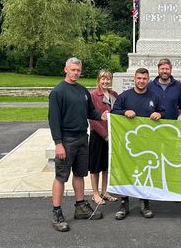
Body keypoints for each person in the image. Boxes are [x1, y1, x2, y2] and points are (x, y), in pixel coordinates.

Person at [48, 57, 108, 232]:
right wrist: (58, 144)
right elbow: (53, 120)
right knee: (61, 176)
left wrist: (101, 116)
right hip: (66, 140)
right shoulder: (58, 92)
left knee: (80, 174)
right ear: (65, 69)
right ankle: (57, 212)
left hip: (83, 137)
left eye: (78, 70)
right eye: (73, 69)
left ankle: (80, 206)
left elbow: (90, 112)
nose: (76, 73)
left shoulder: (83, 91)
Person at [112, 68, 165, 220]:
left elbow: (164, 112)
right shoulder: (124, 96)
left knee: (145, 173)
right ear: (134, 79)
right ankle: (124, 204)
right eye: (139, 78)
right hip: (127, 143)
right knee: (126, 172)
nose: (141, 81)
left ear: (148, 80)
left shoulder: (154, 96)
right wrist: (124, 112)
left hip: (147, 143)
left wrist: (159, 114)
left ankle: (145, 203)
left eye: (144, 78)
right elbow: (114, 112)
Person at [88, 69, 119, 206]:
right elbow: (92, 118)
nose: (105, 81)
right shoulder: (93, 95)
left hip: (112, 135)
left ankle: (105, 191)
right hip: (98, 135)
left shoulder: (114, 95)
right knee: (95, 167)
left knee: (106, 166)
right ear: (98, 80)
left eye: (108, 79)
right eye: (103, 79)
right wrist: (105, 135)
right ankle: (95, 193)